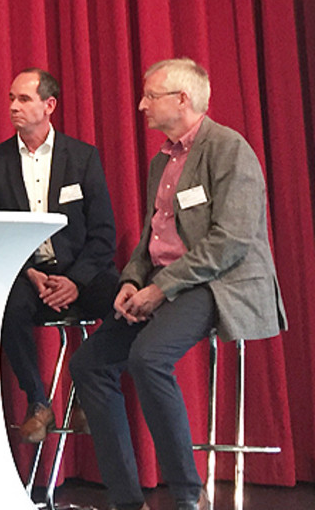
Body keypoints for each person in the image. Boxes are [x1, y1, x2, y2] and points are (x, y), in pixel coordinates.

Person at [71, 59, 286, 510]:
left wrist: (162, 287)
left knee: (148, 357)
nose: (141, 104)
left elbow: (231, 242)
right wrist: (132, 281)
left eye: (151, 95)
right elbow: (153, 237)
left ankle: (187, 496)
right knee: (90, 362)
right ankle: (127, 501)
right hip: (166, 283)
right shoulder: (162, 160)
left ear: (182, 100)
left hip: (219, 283)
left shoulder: (229, 149)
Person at [0, 68, 118, 443]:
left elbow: (104, 232)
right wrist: (28, 273)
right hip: (27, 273)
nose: (13, 107)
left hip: (80, 272)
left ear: (49, 105)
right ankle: (38, 401)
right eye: (11, 98)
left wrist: (77, 280)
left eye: (23, 99)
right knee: (5, 306)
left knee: (122, 300)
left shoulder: (83, 157)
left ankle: (91, 387)